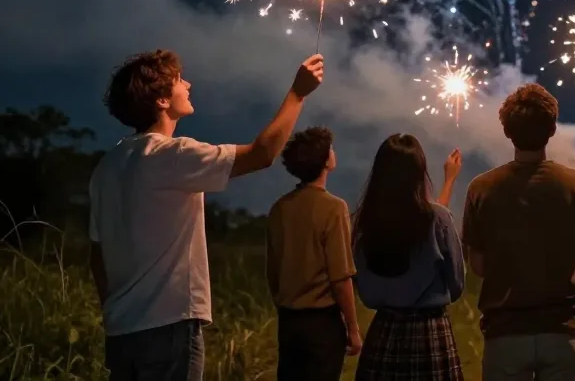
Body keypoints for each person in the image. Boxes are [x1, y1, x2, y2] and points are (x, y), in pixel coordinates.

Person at [89, 50, 324, 381]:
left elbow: (97, 254)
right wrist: (298, 93)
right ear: (161, 101)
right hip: (168, 327)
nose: (188, 84)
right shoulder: (173, 154)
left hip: (121, 332)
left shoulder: (107, 167)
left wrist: (115, 312)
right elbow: (262, 154)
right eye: (178, 81)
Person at [462, 83, 575, 381]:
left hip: (504, 334)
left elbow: (478, 266)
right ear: (552, 129)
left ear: (507, 131)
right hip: (562, 333)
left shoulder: (481, 188)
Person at [352, 135, 466, 380]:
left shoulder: (364, 222)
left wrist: (449, 181)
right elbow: (456, 286)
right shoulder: (440, 218)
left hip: (384, 333)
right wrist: (449, 180)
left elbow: (366, 292)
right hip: (430, 333)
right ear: (419, 172)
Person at [267, 126, 361, 381]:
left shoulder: (280, 208)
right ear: (325, 160)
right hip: (321, 325)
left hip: (288, 322)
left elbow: (273, 272)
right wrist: (352, 328)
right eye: (330, 148)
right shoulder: (334, 207)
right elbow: (340, 276)